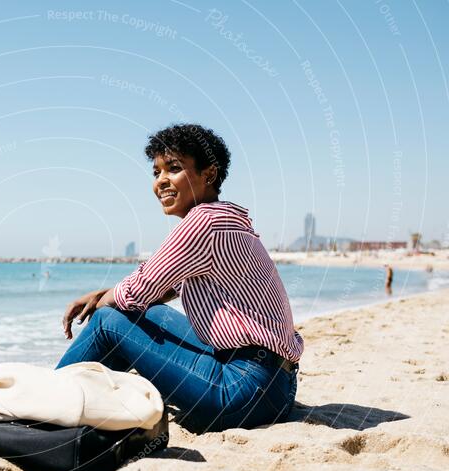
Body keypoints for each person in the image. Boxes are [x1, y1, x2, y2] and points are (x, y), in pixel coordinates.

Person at [56, 123, 303, 433]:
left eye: (173, 169)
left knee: (107, 320)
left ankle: (50, 398)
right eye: (156, 172)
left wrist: (102, 302)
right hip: (275, 386)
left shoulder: (203, 221)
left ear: (209, 175)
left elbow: (137, 289)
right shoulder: (224, 217)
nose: (161, 182)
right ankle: (77, 394)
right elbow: (160, 289)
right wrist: (104, 293)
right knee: (142, 311)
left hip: (244, 391)